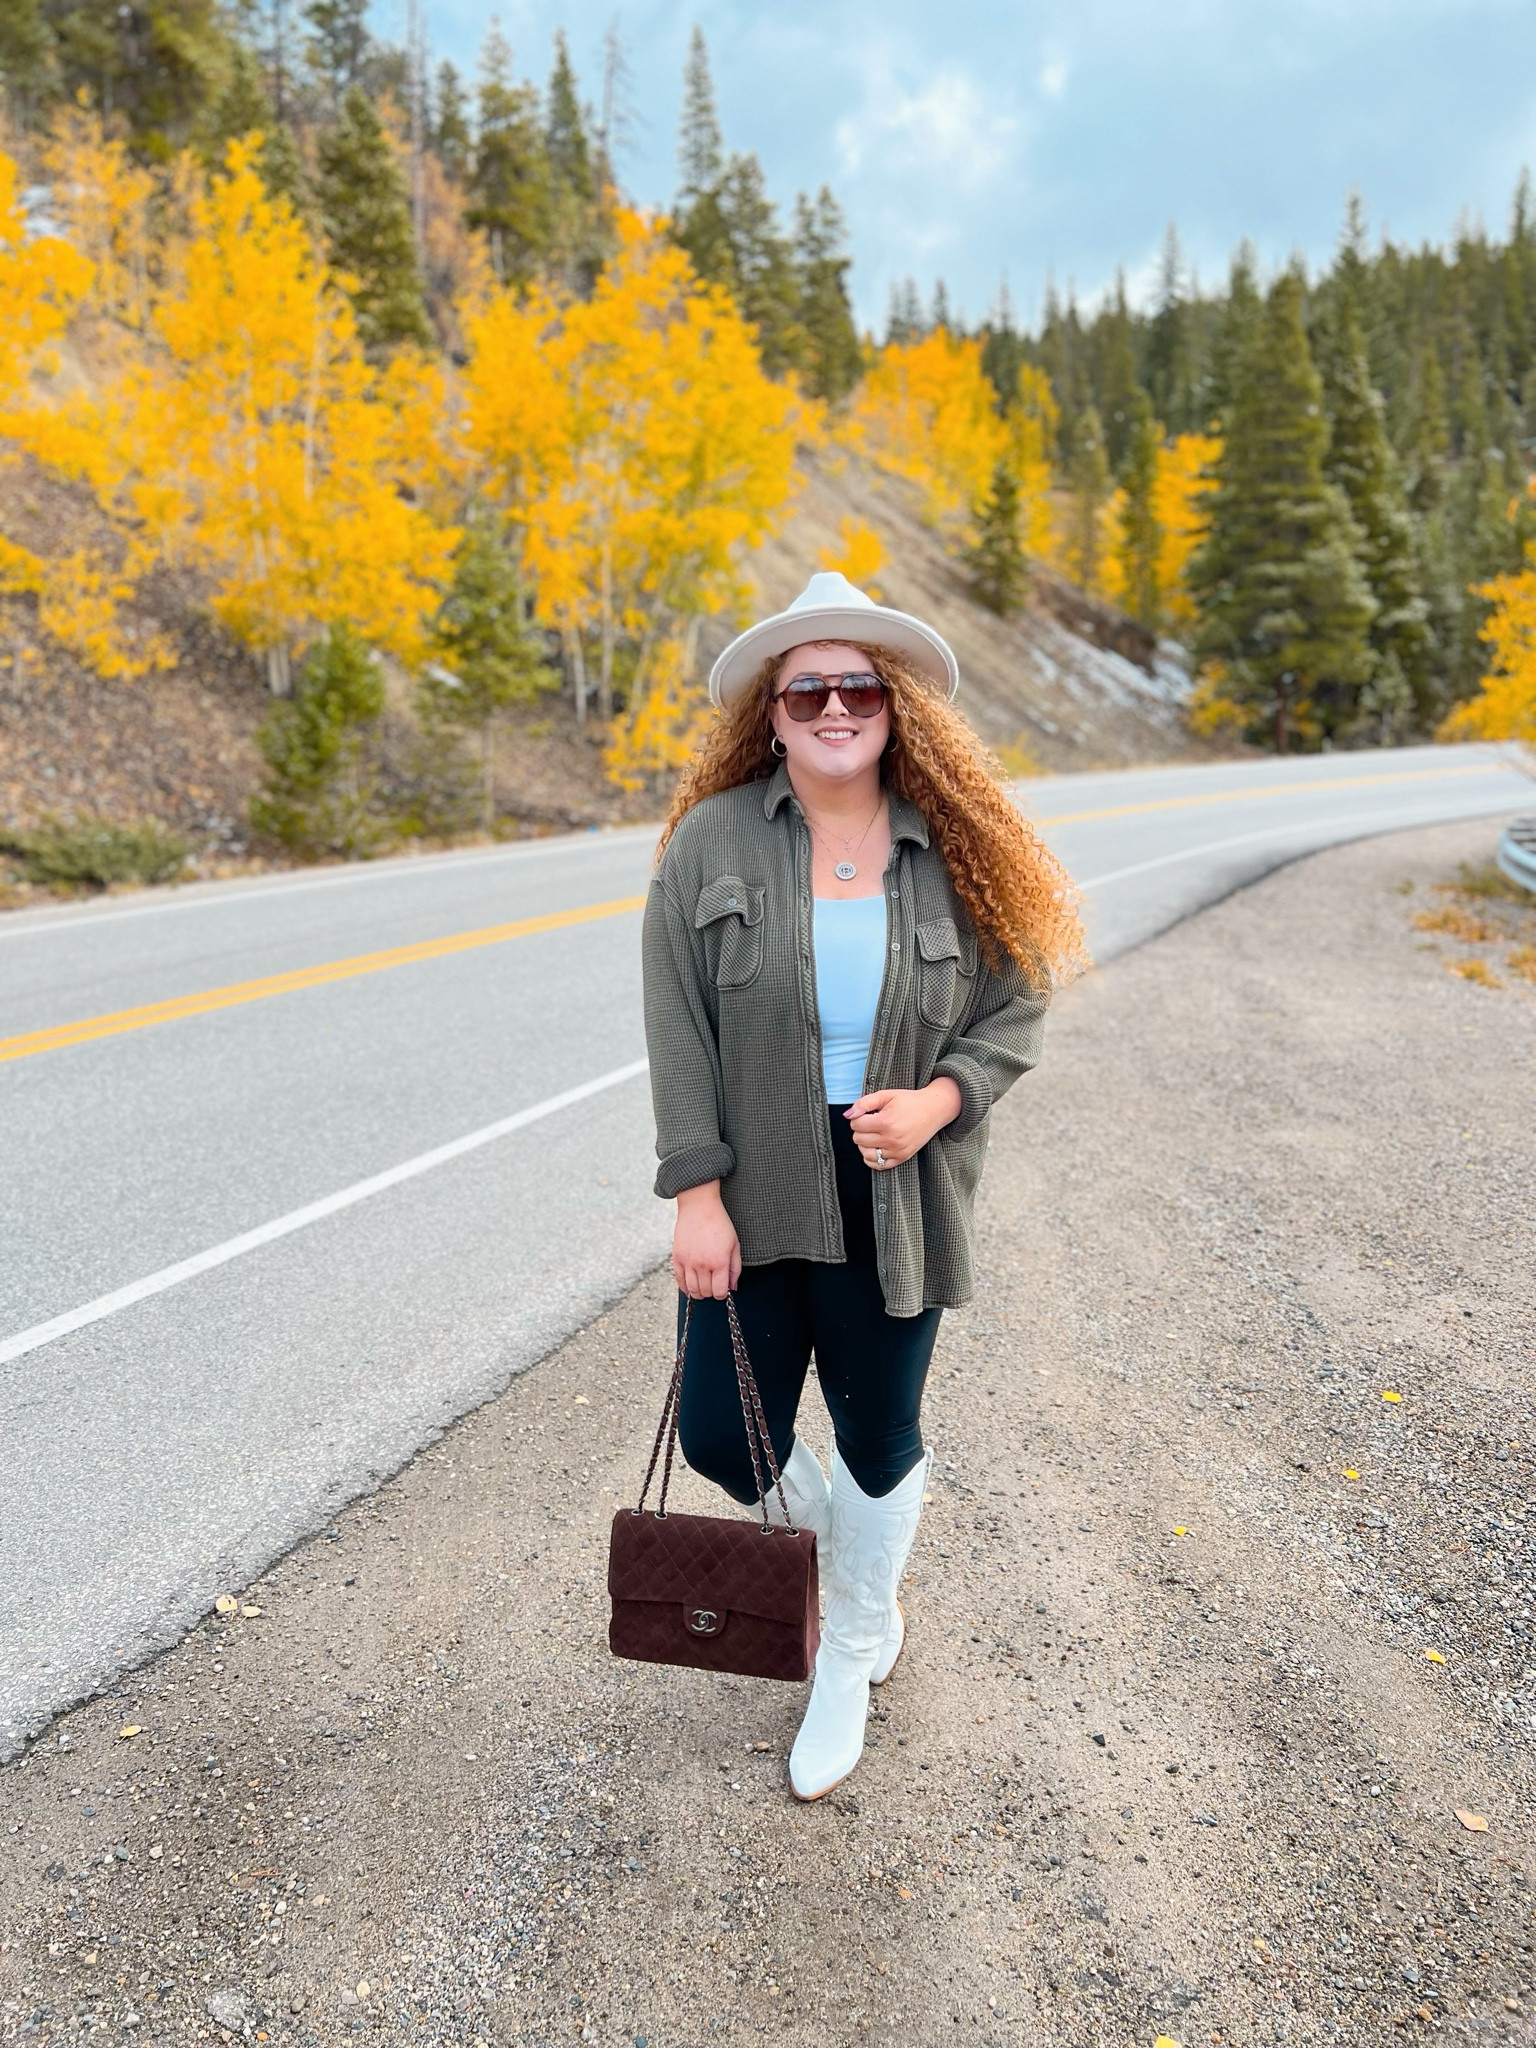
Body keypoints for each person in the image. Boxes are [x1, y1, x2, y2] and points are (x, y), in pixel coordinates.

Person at [642, 571, 1085, 1800]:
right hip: (755, 1179)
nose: (835, 706)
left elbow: (1017, 1006)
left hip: (902, 1186)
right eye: (808, 689)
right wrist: (696, 1191)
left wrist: (940, 1101)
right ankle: (852, 1555)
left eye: (859, 687)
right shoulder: (712, 843)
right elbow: (677, 1027)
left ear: (894, 709)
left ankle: (850, 1637)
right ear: (772, 716)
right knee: (729, 1433)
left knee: (879, 1430)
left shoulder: (959, 847)